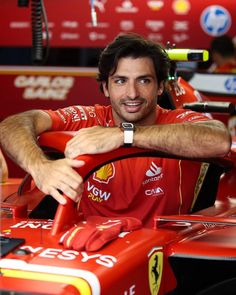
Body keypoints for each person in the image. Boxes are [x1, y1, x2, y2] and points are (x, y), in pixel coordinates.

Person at [0, 33, 231, 228]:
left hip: (159, 254)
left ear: (160, 86)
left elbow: (219, 139)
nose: (132, 93)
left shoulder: (176, 119)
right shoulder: (90, 117)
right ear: (105, 88)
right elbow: (13, 124)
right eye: (120, 81)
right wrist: (40, 167)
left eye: (144, 81)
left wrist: (124, 134)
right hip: (90, 248)